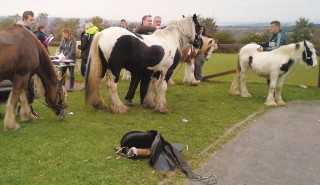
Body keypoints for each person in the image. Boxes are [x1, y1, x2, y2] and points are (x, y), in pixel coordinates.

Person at [124, 15, 159, 106]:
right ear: (143, 21)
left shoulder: (151, 32)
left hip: (148, 62)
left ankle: (143, 100)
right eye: (148, 21)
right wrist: (155, 27)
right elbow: (141, 29)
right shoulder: (140, 28)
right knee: (134, 81)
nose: (150, 22)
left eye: (151, 21)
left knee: (145, 82)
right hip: (138, 61)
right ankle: (128, 99)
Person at [16, 11, 43, 119]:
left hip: (26, 65)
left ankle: (21, 109)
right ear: (25, 19)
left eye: (33, 19)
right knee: (28, 89)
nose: (33, 21)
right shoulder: (21, 31)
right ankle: (29, 111)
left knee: (24, 89)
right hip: (23, 66)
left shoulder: (26, 30)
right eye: (31, 19)